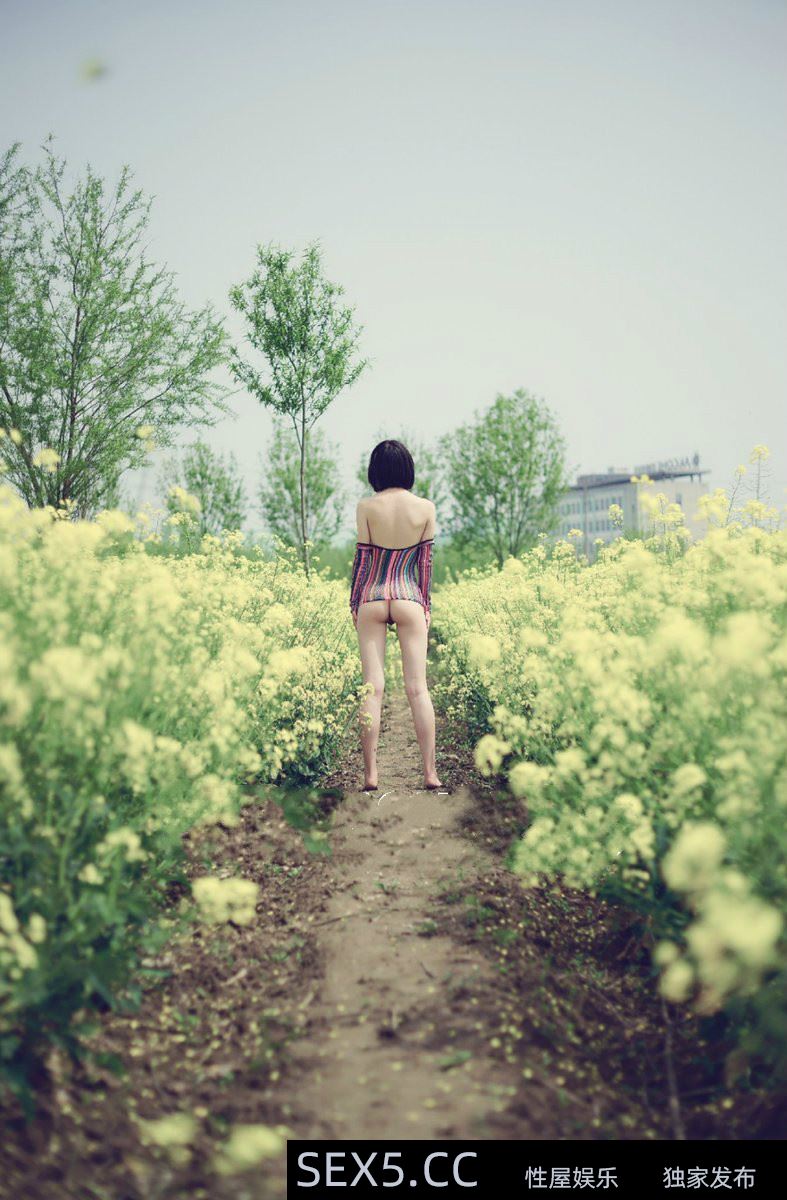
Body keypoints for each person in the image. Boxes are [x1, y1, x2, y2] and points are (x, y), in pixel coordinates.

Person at [349, 439, 442, 792]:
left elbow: (362, 562)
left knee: (372, 687)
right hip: (408, 596)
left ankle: (371, 775)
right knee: (418, 688)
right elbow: (425, 565)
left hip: (373, 596)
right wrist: (425, 605)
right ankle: (430, 773)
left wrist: (354, 602)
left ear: (375, 470)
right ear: (407, 469)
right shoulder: (425, 508)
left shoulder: (366, 507)